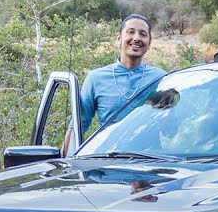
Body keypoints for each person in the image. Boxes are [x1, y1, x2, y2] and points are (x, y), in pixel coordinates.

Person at [61, 14, 166, 154]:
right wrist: (65, 165)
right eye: (130, 32)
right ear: (119, 38)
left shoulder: (161, 78)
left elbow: (171, 129)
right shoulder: (96, 78)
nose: (136, 38)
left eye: (143, 34)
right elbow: (78, 126)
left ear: (149, 42)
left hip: (151, 163)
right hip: (107, 163)